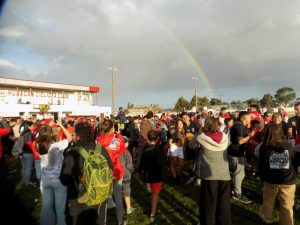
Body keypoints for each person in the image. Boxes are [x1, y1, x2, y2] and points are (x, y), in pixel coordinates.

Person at [60, 122, 113, 225]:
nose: (72, 136)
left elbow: (64, 180)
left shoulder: (72, 154)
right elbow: (110, 168)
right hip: (100, 200)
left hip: (79, 203)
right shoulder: (101, 149)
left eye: (74, 134)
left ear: (78, 136)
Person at [194, 117, 231, 225]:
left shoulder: (201, 137)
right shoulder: (225, 137)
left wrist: (199, 133)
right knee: (224, 204)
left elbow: (191, 146)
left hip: (209, 175)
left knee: (209, 204)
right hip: (224, 173)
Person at [259, 124, 296, 225]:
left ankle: (267, 221)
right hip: (287, 180)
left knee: (268, 202)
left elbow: (261, 165)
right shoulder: (287, 145)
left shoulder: (264, 147)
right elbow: (292, 158)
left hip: (271, 180)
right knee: (286, 205)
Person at [37, 120, 72, 225]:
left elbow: (39, 135)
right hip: (58, 180)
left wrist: (47, 127)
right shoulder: (56, 146)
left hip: (45, 180)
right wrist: (61, 125)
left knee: (46, 207)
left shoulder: (37, 145)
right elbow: (70, 138)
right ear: (51, 134)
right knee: (60, 208)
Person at [97, 119, 127, 225]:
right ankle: (120, 221)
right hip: (116, 171)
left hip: (103, 172)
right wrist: (119, 135)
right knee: (118, 196)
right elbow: (123, 150)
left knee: (103, 199)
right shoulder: (117, 140)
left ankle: (103, 221)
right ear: (111, 129)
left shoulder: (98, 141)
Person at [227, 111, 255, 204]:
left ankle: (234, 190)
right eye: (249, 117)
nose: (250, 119)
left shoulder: (239, 126)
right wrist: (250, 135)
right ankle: (237, 194)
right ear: (243, 118)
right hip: (236, 154)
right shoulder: (239, 126)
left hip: (234, 153)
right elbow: (240, 141)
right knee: (239, 174)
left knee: (235, 173)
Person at [139, 130, 164, 223]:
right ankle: (153, 214)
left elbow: (141, 162)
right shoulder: (158, 149)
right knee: (155, 194)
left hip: (147, 175)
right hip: (155, 176)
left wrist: (140, 170)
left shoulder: (145, 149)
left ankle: (154, 210)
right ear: (157, 138)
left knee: (153, 193)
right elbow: (161, 163)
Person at [181, 112, 201, 185]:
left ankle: (198, 179)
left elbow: (201, 132)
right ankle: (191, 177)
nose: (185, 119)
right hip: (188, 147)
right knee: (190, 163)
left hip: (197, 146)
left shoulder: (195, 124)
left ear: (189, 117)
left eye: (186, 117)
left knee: (198, 163)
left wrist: (193, 135)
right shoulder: (183, 126)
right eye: (183, 118)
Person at [120, 136, 135, 215]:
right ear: (125, 144)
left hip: (118, 174)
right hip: (126, 174)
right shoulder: (127, 152)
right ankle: (128, 208)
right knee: (126, 189)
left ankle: (117, 206)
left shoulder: (116, 152)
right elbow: (129, 165)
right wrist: (133, 170)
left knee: (118, 190)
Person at [287, 101, 300, 173]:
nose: (296, 111)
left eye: (297, 109)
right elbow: (290, 131)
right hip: (295, 145)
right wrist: (292, 140)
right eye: (295, 109)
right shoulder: (291, 119)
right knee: (294, 165)